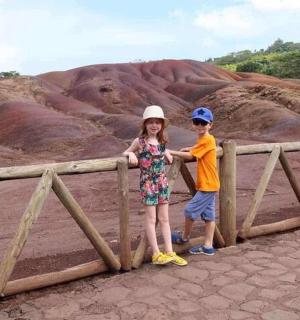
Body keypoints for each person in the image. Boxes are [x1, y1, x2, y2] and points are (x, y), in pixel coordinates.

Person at [123, 105, 187, 266]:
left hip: (162, 183)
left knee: (164, 218)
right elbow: (125, 152)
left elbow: (163, 152)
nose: (154, 125)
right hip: (148, 183)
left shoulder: (162, 141)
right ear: (145, 124)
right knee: (151, 219)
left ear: (162, 125)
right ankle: (156, 254)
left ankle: (170, 252)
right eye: (150, 122)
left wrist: (167, 153)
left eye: (157, 122)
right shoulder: (140, 141)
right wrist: (131, 154)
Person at [170, 106, 220, 255]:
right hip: (210, 184)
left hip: (207, 185)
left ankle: (184, 238)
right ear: (193, 123)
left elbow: (192, 156)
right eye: (196, 122)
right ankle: (208, 246)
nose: (199, 126)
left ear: (210, 125)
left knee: (190, 210)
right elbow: (198, 149)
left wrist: (169, 151)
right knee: (209, 217)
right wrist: (190, 148)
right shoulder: (205, 139)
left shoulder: (208, 139)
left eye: (203, 123)